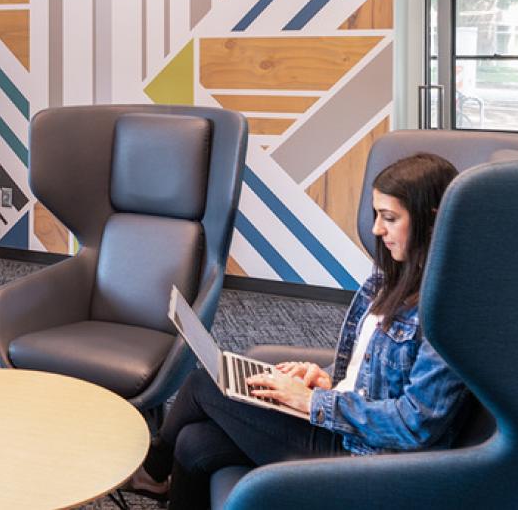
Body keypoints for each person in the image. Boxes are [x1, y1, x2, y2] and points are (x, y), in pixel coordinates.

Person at [128, 153, 470, 509]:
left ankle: (150, 472)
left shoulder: (446, 310)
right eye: (377, 216)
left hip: (369, 460)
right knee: (194, 442)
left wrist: (311, 402)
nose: (376, 230)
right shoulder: (391, 276)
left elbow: (414, 425)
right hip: (344, 425)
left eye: (390, 218)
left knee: (204, 385)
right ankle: (155, 478)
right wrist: (326, 381)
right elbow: (371, 374)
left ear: (433, 221)